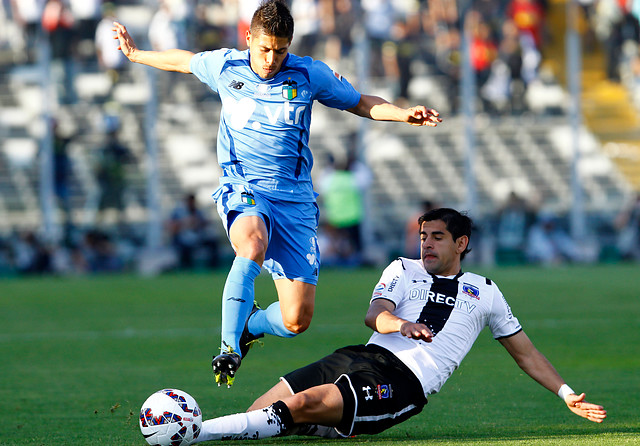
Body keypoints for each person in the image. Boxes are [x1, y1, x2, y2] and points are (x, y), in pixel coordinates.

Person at [113, 0, 441, 387]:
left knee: (295, 320)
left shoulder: (309, 74)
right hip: (244, 186)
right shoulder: (226, 66)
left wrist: (402, 113)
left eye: (280, 50)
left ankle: (251, 322)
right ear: (247, 38)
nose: (271, 58)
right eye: (264, 48)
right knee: (251, 244)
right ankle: (229, 347)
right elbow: (184, 60)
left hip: (296, 202)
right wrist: (136, 55)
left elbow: (360, 102)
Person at [192, 208, 606, 442]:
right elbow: (375, 314)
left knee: (297, 407)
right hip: (359, 357)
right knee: (259, 414)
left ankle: (190, 433)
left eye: (437, 237)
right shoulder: (403, 268)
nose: (426, 242)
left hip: (405, 383)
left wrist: (566, 393)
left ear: (461, 244)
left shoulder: (487, 292)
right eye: (424, 235)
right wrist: (401, 325)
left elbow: (525, 353)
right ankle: (323, 425)